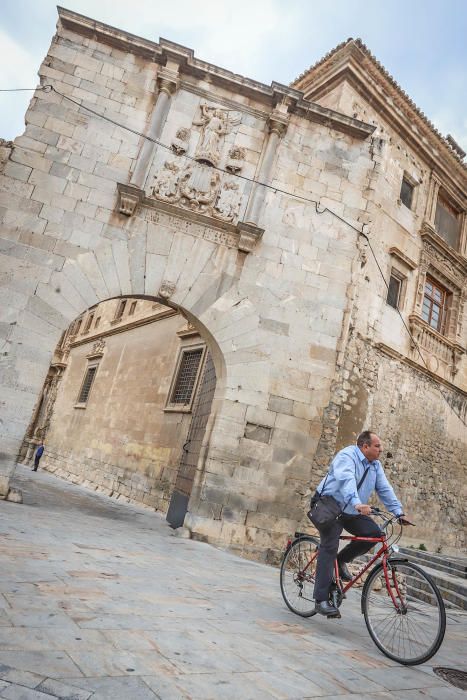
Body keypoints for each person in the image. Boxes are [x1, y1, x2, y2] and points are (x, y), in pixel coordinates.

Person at [312, 430, 412, 617]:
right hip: (329, 505)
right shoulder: (347, 456)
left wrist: (399, 512)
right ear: (364, 446)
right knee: (329, 545)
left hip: (351, 510)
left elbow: (384, 489)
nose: (381, 449)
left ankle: (342, 560)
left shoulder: (375, 465)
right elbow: (346, 480)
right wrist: (357, 503)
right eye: (377, 446)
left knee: (374, 534)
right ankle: (321, 599)